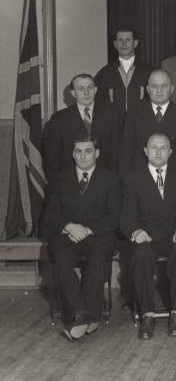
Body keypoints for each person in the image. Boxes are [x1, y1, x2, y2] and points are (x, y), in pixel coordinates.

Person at [43, 134, 121, 341]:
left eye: (88, 151)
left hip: (98, 235)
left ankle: (85, 314)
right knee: (61, 261)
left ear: (97, 153)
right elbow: (49, 216)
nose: (83, 156)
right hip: (67, 236)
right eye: (78, 151)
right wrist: (69, 227)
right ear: (72, 154)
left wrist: (86, 229)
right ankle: (83, 313)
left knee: (98, 259)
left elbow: (115, 216)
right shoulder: (59, 180)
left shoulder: (111, 179)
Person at [120, 133, 176, 340]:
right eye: (153, 148)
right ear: (146, 152)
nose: (158, 152)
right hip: (147, 235)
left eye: (163, 148)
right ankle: (147, 314)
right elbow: (126, 215)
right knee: (141, 255)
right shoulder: (133, 179)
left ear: (170, 152)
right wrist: (135, 231)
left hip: (174, 235)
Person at [119, 69, 176, 174]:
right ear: (148, 89)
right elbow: (126, 151)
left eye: (164, 86)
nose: (159, 90)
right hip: (140, 177)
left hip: (175, 178)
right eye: (154, 86)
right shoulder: (134, 114)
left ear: (171, 89)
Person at [43, 73, 119, 179]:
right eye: (81, 89)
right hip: (70, 182)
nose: (86, 92)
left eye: (90, 88)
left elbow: (115, 153)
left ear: (96, 90)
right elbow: (52, 159)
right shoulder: (59, 119)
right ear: (73, 93)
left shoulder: (111, 116)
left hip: (104, 181)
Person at [94, 25, 154, 120]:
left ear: (135, 43)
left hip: (141, 126)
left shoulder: (150, 71)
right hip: (113, 128)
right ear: (115, 44)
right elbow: (99, 104)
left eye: (128, 40)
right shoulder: (104, 73)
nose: (124, 43)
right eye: (120, 40)